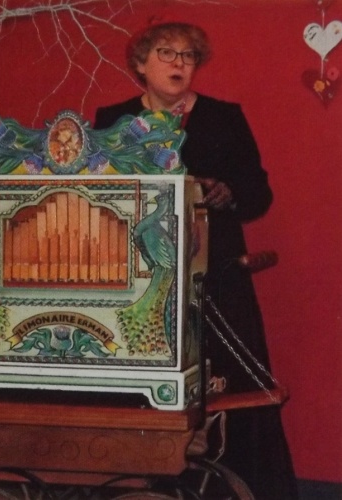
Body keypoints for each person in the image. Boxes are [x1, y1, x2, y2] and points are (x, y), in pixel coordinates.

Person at [94, 21, 298, 499]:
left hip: (217, 278)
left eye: (188, 56)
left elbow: (258, 193)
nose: (179, 64)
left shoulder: (225, 117)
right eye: (166, 53)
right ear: (140, 65)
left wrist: (228, 192)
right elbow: (97, 193)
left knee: (227, 386)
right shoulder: (114, 119)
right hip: (139, 280)